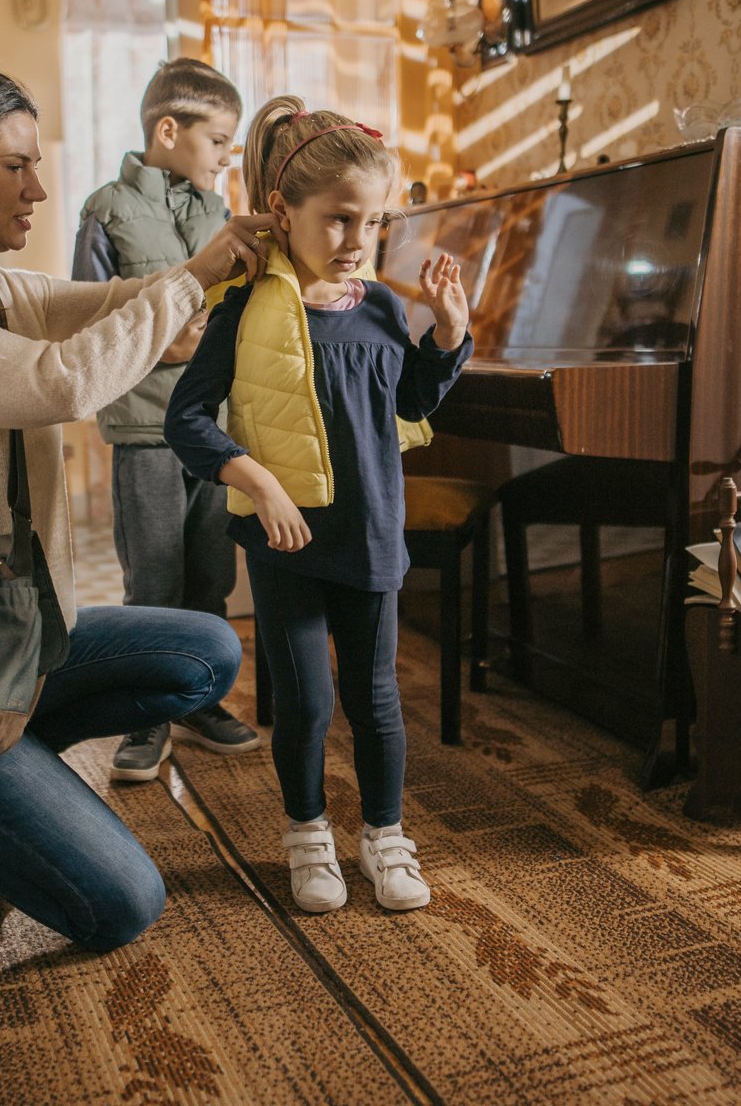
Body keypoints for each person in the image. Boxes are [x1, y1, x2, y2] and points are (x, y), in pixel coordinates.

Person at [0, 67, 273, 952]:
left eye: (37, 165)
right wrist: (192, 282)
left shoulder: (5, 293)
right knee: (123, 905)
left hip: (12, 651)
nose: (39, 188)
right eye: (13, 165)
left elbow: (114, 306)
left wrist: (214, 266)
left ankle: (7, 767)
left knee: (206, 653)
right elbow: (61, 381)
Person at [164, 96, 474, 914]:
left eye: (371, 224)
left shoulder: (376, 306)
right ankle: (307, 836)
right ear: (282, 212)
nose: (356, 242)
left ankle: (383, 835)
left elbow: (411, 400)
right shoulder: (243, 310)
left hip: (370, 532)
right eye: (338, 220)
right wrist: (257, 482)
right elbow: (185, 418)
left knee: (375, 701)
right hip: (287, 544)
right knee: (304, 702)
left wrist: (446, 336)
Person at [71, 58, 263, 782]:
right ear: (168, 129)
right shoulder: (107, 209)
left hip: (215, 431)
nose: (226, 156)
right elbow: (89, 317)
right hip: (147, 430)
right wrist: (169, 340)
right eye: (219, 140)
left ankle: (198, 701)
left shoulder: (219, 212)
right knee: (152, 581)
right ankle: (143, 715)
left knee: (210, 575)